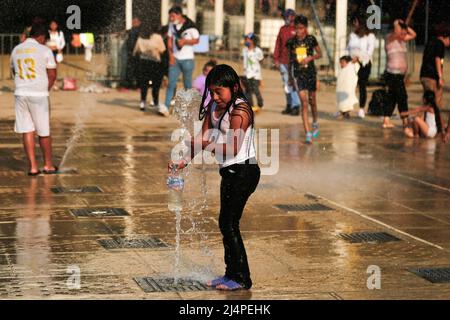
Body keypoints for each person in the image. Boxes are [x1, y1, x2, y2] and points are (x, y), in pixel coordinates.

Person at [168, 64, 260, 291]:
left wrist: (205, 143)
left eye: (220, 91)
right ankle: (231, 274)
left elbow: (233, 148)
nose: (216, 96)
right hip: (229, 172)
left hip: (244, 171)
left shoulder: (241, 110)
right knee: (225, 223)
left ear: (235, 87)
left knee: (229, 223)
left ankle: (242, 278)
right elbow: (201, 138)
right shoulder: (213, 108)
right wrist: (183, 161)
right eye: (212, 92)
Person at [10, 23, 58, 176]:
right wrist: (45, 89)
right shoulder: (45, 50)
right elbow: (52, 75)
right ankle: (48, 165)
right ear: (42, 36)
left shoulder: (16, 49)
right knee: (44, 131)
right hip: (38, 95)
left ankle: (32, 167)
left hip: (20, 93)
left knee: (27, 130)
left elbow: (13, 71)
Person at [287, 15, 322, 143]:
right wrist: (290, 77)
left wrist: (310, 58)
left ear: (305, 28)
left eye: (301, 28)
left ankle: (315, 122)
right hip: (298, 74)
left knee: (312, 101)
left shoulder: (311, 39)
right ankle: (307, 133)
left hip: (311, 73)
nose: (298, 31)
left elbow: (320, 53)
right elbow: (289, 61)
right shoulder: (291, 42)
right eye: (296, 28)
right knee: (304, 102)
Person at [383, 19, 416, 131]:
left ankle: (386, 120)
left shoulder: (402, 40)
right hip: (392, 74)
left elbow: (413, 34)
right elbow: (396, 33)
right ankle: (405, 120)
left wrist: (405, 26)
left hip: (400, 75)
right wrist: (397, 23)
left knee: (393, 97)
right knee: (402, 96)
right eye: (400, 29)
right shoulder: (389, 38)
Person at [165, 6, 200, 110]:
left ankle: (190, 107)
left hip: (188, 59)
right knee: (171, 83)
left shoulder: (190, 26)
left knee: (187, 85)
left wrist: (185, 41)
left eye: (173, 16)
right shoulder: (172, 25)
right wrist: (170, 56)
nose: (171, 18)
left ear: (179, 15)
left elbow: (197, 40)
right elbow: (170, 40)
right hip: (175, 58)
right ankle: (166, 107)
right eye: (170, 16)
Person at [133, 22, 168, 115]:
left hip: (144, 62)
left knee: (144, 84)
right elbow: (162, 50)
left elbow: (137, 50)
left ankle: (142, 103)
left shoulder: (141, 38)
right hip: (155, 63)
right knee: (156, 84)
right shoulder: (157, 37)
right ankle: (155, 101)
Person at [419, 24, 450, 129]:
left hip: (424, 75)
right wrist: (440, 77)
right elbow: (437, 60)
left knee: (427, 101)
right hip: (432, 77)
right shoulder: (440, 44)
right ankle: (433, 126)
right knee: (434, 103)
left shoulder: (431, 42)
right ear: (446, 37)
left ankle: (423, 125)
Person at [346, 15, 376, 118]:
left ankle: (361, 108)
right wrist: (347, 59)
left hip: (364, 64)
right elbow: (348, 48)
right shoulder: (352, 35)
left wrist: (359, 58)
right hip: (352, 63)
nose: (354, 24)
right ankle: (346, 108)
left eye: (356, 22)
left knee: (362, 86)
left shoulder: (370, 36)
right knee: (349, 86)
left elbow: (370, 52)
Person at [273, 8, 301, 115]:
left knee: (292, 82)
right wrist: (276, 58)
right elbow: (278, 44)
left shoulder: (298, 29)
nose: (288, 18)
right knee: (286, 83)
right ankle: (289, 104)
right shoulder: (283, 29)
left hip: (294, 61)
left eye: (289, 16)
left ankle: (296, 105)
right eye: (286, 16)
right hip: (283, 61)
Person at [242, 33, 264, 113]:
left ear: (252, 40)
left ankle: (260, 103)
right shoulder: (244, 50)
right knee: (248, 91)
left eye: (247, 39)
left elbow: (261, 60)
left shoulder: (257, 51)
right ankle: (251, 105)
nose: (246, 40)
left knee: (255, 90)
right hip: (246, 74)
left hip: (255, 75)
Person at [125, 17, 142, 89]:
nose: (133, 23)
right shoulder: (132, 30)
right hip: (132, 53)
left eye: (135, 21)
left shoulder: (138, 31)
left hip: (136, 53)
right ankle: (132, 85)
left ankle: (135, 85)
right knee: (132, 69)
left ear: (139, 22)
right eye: (133, 21)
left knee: (135, 69)